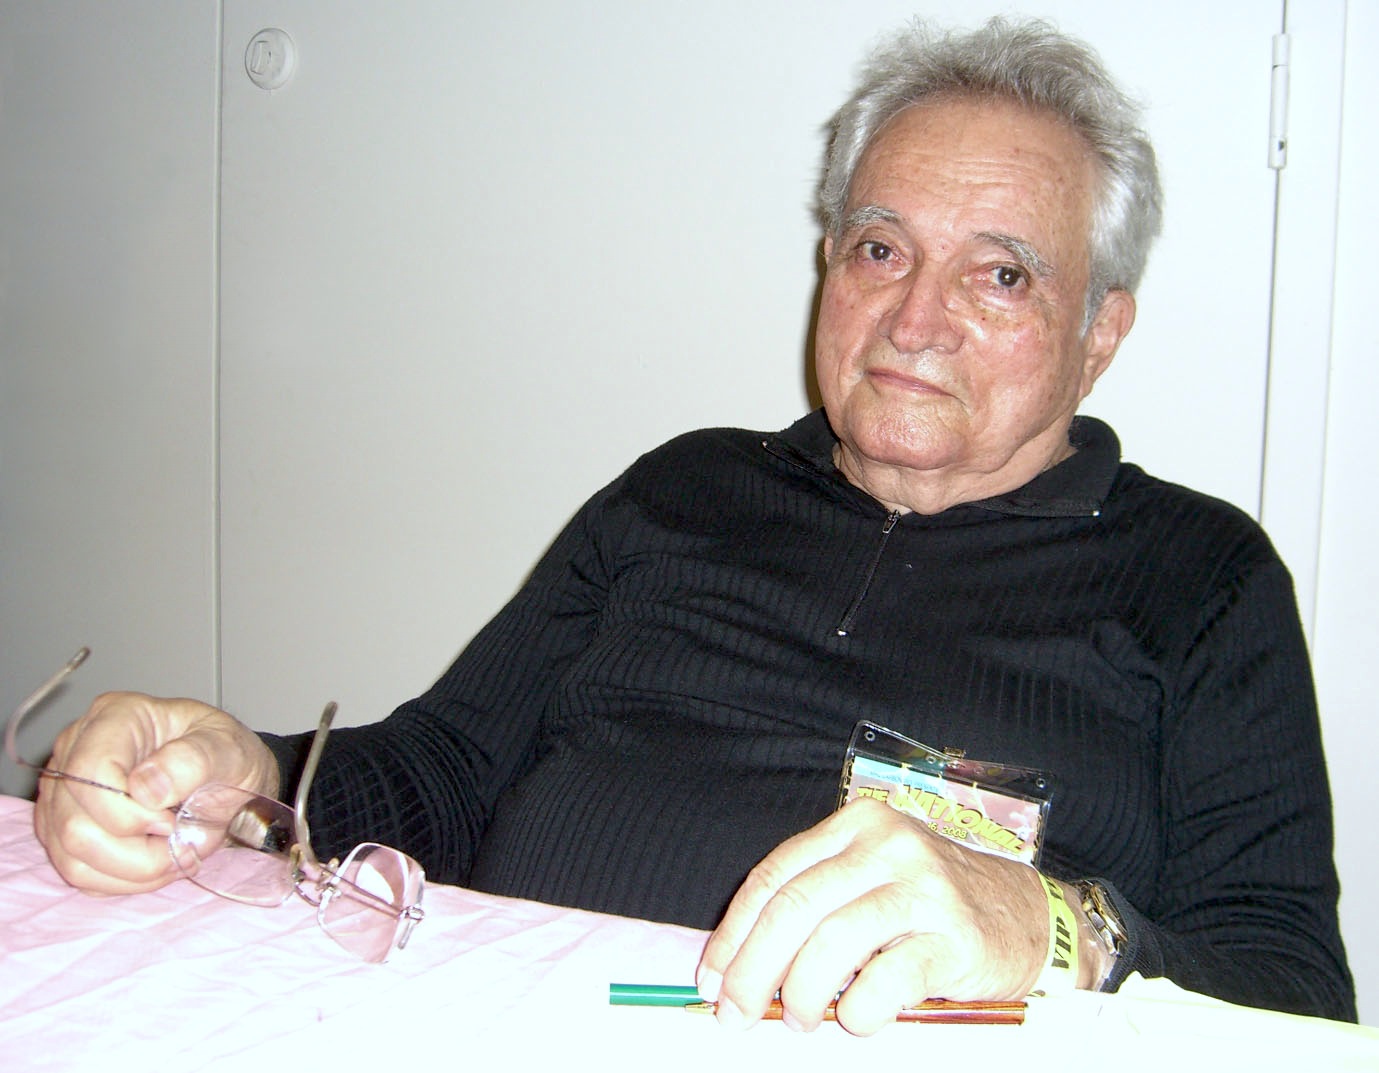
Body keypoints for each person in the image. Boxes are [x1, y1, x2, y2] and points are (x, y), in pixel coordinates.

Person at [30, 16, 1354, 1032]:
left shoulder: (1201, 577)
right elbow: (443, 768)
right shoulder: (683, 489)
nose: (915, 320)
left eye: (1000, 274)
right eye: (881, 248)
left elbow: (1292, 991)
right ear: (830, 263)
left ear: (1100, 333)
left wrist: (1047, 927)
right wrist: (240, 772)